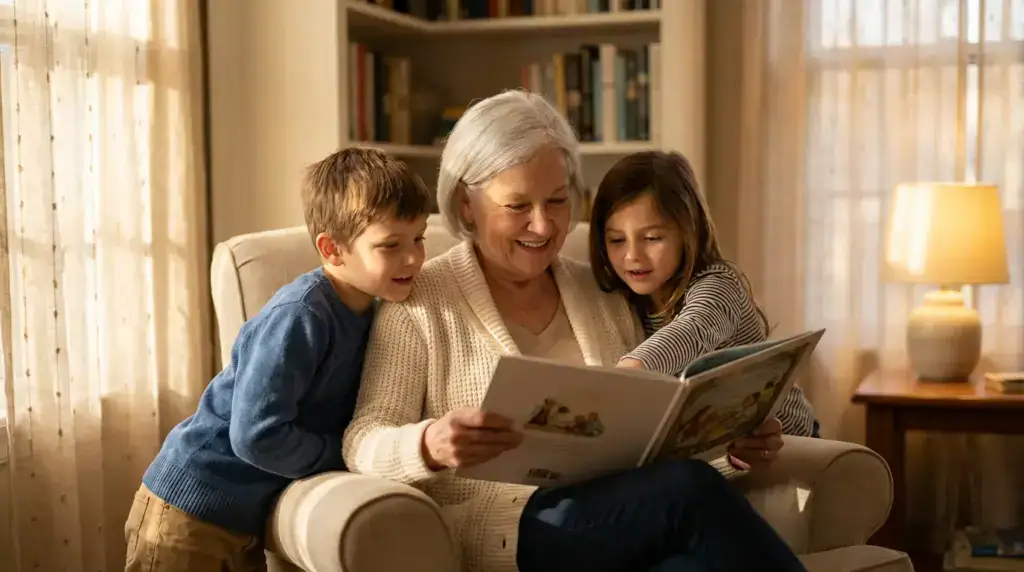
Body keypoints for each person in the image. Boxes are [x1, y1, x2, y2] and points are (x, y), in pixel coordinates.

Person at [342, 90, 808, 572]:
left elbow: (650, 446)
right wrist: (428, 445)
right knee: (689, 489)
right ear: (465, 206)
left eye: (558, 201)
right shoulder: (418, 302)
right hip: (516, 527)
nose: (542, 225)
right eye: (518, 205)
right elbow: (363, 437)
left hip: (617, 523)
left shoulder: (602, 292)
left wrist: (730, 456)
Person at [124, 147, 433, 572]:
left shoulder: (376, 312)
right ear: (333, 249)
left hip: (243, 516)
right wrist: (342, 454)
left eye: (419, 238)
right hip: (191, 509)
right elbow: (256, 435)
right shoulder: (301, 314)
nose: (414, 258)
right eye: (391, 245)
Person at [588, 150, 821, 465]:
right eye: (617, 240)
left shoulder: (719, 285)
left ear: (687, 233)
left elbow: (693, 330)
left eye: (652, 238)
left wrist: (626, 375)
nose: (632, 256)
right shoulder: (627, 299)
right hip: (721, 446)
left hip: (789, 438)